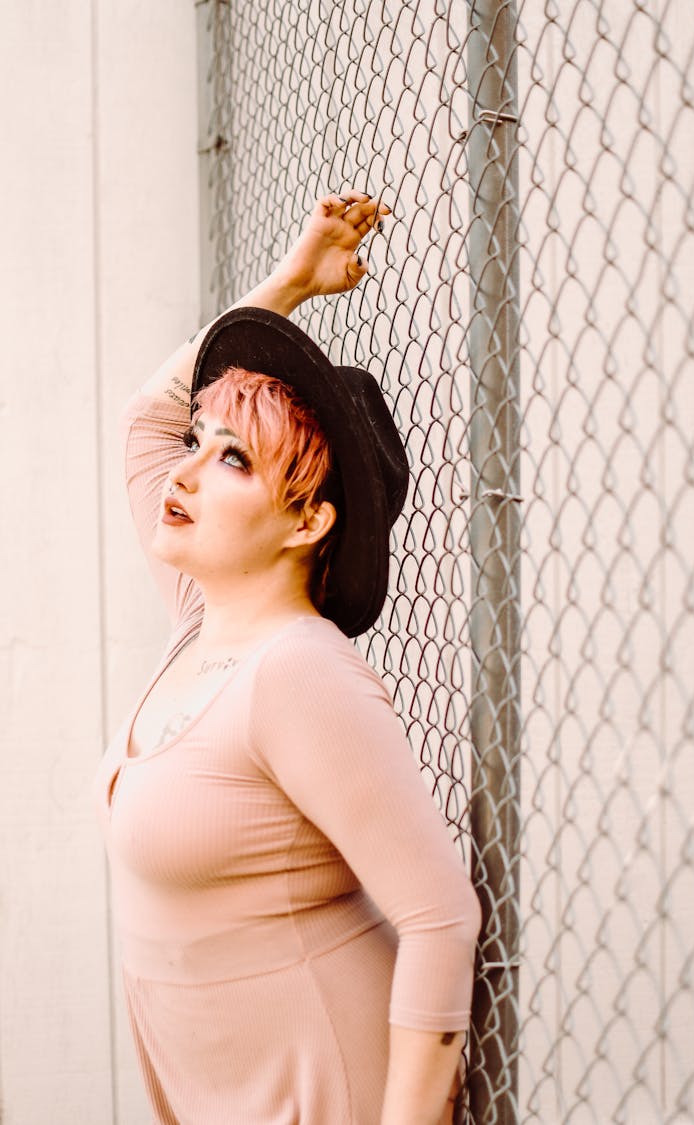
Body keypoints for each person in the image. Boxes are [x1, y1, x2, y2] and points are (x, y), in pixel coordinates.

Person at [95, 191, 481, 1125]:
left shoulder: (297, 673)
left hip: (324, 1093)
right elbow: (150, 419)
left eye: (232, 460)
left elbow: (441, 919)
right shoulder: (203, 622)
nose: (183, 472)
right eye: (203, 442)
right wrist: (291, 286)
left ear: (307, 522)